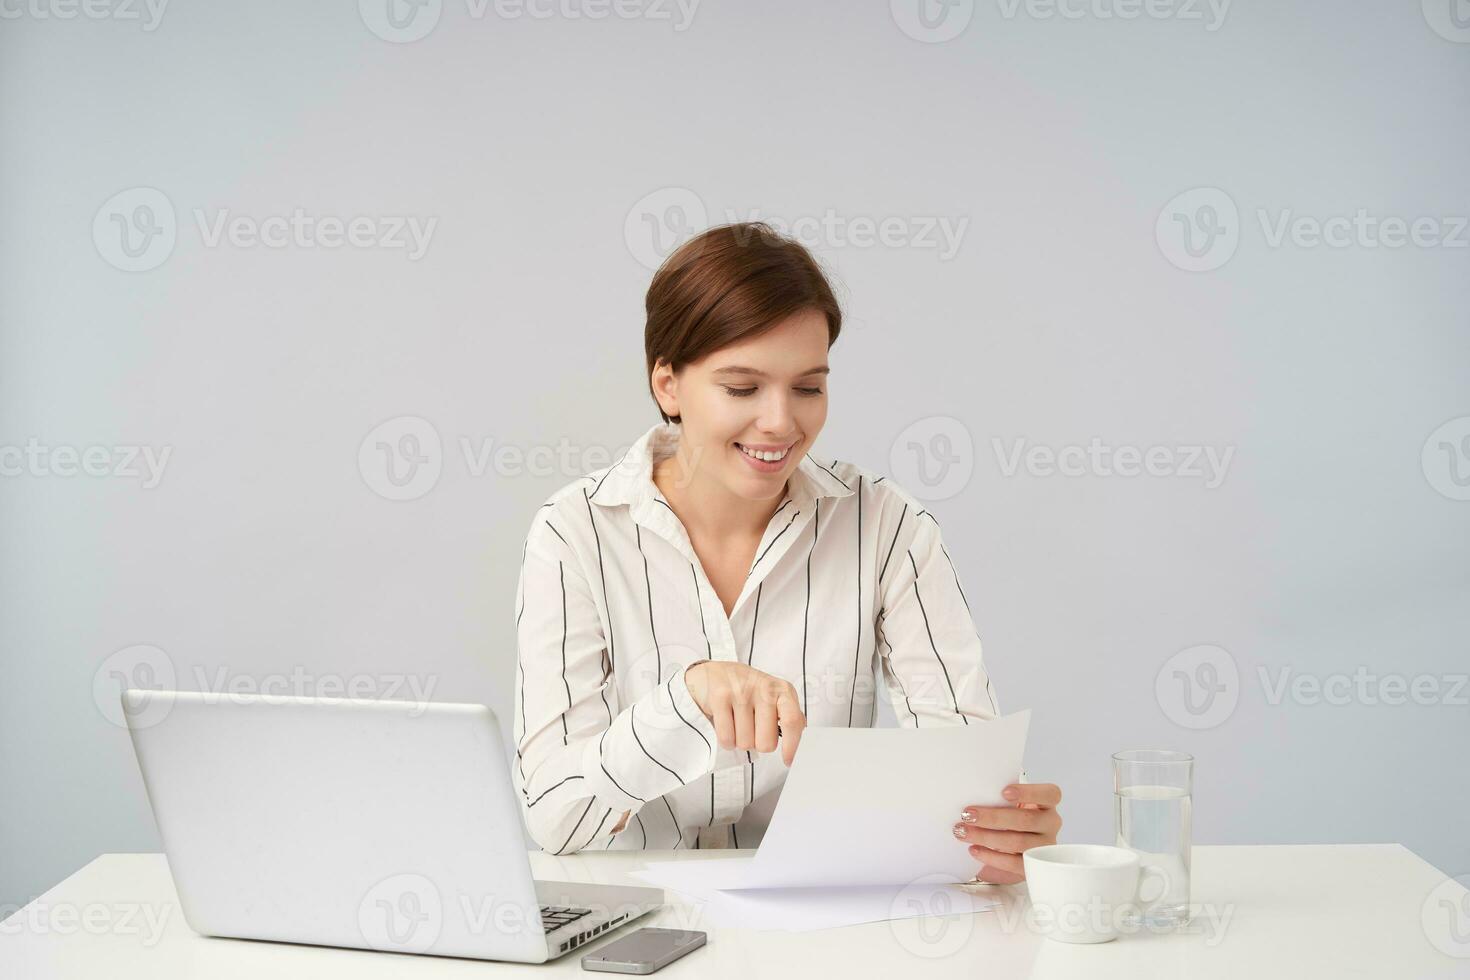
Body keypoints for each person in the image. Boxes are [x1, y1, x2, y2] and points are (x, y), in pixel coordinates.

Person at [513, 222, 1061, 883]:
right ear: (668, 386)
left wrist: (998, 830)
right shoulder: (576, 533)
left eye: (808, 387)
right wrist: (685, 702)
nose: (781, 421)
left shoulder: (886, 527)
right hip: (634, 920)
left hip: (817, 913)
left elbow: (961, 770)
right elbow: (556, 817)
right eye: (742, 388)